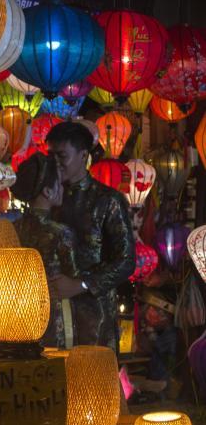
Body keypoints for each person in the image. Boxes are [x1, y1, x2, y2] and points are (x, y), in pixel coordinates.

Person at [46, 121, 136, 352]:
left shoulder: (107, 200)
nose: (55, 162)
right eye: (51, 155)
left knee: (92, 379)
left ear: (83, 154)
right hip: (49, 312)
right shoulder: (47, 198)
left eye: (62, 155)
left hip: (94, 314)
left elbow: (126, 260)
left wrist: (82, 284)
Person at [11, 152, 79, 348]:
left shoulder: (13, 228)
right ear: (48, 192)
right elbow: (73, 274)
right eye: (59, 183)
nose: (63, 189)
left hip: (20, 313)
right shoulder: (60, 233)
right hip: (55, 315)